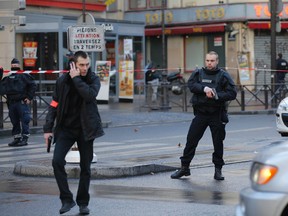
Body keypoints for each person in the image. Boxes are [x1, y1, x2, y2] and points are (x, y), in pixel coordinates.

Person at [43, 51, 104, 215]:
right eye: (81, 65)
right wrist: (48, 129)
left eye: (87, 65)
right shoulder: (62, 81)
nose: (84, 68)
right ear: (73, 65)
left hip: (86, 129)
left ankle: (83, 203)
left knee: (86, 167)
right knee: (56, 162)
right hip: (66, 129)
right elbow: (54, 104)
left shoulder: (93, 79)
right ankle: (66, 199)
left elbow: (89, 95)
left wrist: (77, 78)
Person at [171, 51, 237, 181]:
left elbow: (232, 93)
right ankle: (184, 168)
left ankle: (218, 170)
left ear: (217, 61)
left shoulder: (223, 75)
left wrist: (216, 94)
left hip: (216, 114)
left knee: (218, 143)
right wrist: (204, 89)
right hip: (201, 113)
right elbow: (191, 85)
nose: (209, 63)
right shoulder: (198, 73)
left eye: (212, 61)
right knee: (191, 140)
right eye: (207, 60)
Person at [0, 58, 36, 147]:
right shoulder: (8, 77)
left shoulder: (24, 75)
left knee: (25, 120)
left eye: (16, 65)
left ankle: (24, 138)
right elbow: (2, 89)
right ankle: (17, 138)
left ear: (19, 66)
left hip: (21, 102)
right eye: (13, 66)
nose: (14, 67)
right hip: (12, 103)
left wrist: (29, 97)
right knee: (14, 121)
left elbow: (33, 85)